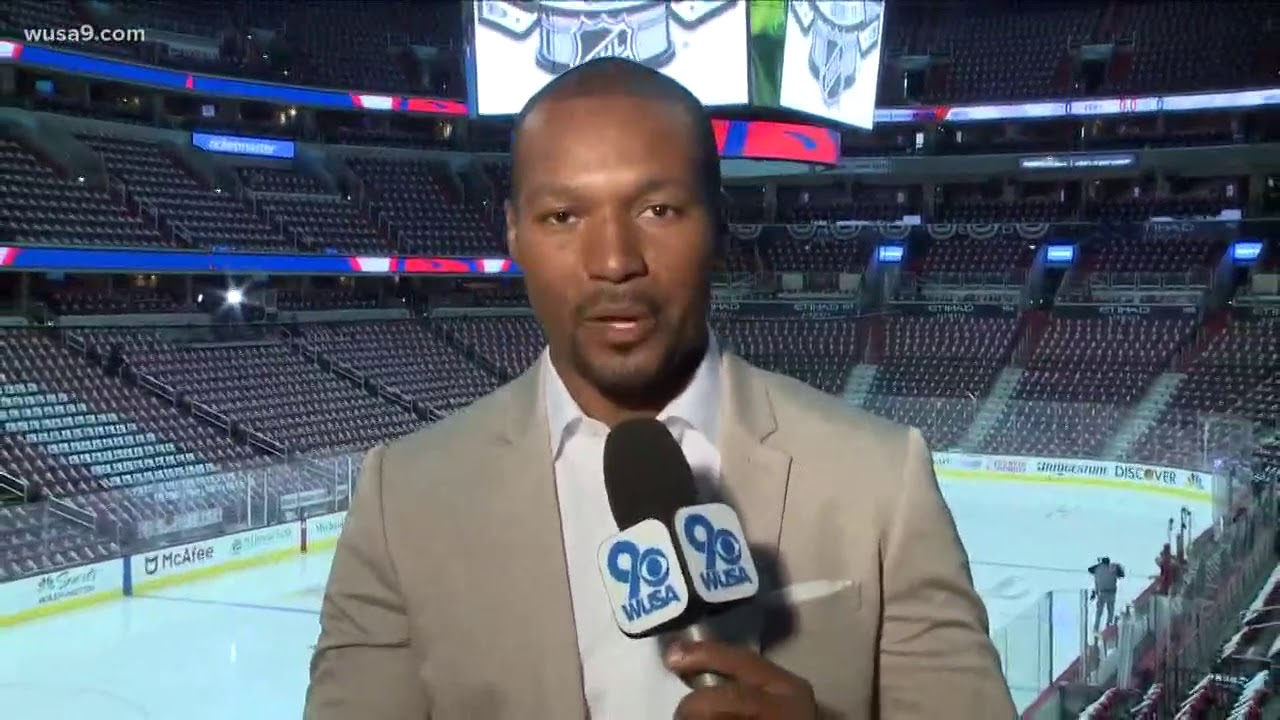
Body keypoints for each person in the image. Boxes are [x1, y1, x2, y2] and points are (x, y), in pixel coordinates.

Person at [304, 57, 1014, 720]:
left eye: (658, 210)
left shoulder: (880, 479)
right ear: (515, 234)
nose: (615, 261)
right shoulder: (403, 499)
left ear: (718, 222)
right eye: (563, 216)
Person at [1089, 556, 1125, 633]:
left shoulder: (1097, 569)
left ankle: (1096, 628)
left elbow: (1090, 570)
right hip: (1111, 592)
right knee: (1110, 611)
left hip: (1101, 592)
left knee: (1099, 612)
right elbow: (1121, 575)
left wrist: (1098, 565)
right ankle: (1108, 626)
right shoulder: (1112, 567)